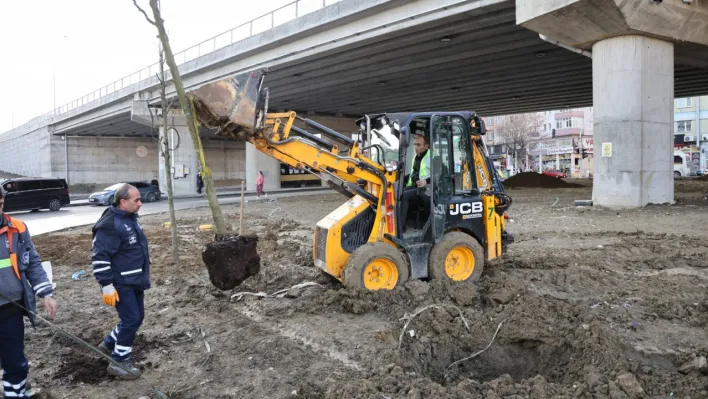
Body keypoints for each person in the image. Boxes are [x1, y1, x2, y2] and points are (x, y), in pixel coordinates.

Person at [0, 187, 58, 398]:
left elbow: (32, 262)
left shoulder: (17, 229)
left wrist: (46, 293)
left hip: (11, 306)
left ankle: (14, 393)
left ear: (2, 202)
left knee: (14, 358)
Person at [92, 184, 150, 380]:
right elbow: (100, 257)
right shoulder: (111, 225)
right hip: (120, 283)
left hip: (134, 280)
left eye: (140, 199)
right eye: (136, 200)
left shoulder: (129, 219)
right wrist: (107, 286)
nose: (140, 203)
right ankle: (119, 361)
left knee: (137, 317)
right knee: (131, 319)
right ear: (123, 202)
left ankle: (108, 345)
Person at [398, 134, 431, 234]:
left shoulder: (433, 157)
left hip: (427, 191)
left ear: (426, 146)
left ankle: (401, 227)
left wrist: (426, 181)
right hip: (416, 187)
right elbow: (414, 173)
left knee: (404, 196)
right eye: (414, 144)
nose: (415, 147)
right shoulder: (416, 157)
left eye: (418, 145)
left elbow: (439, 176)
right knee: (398, 191)